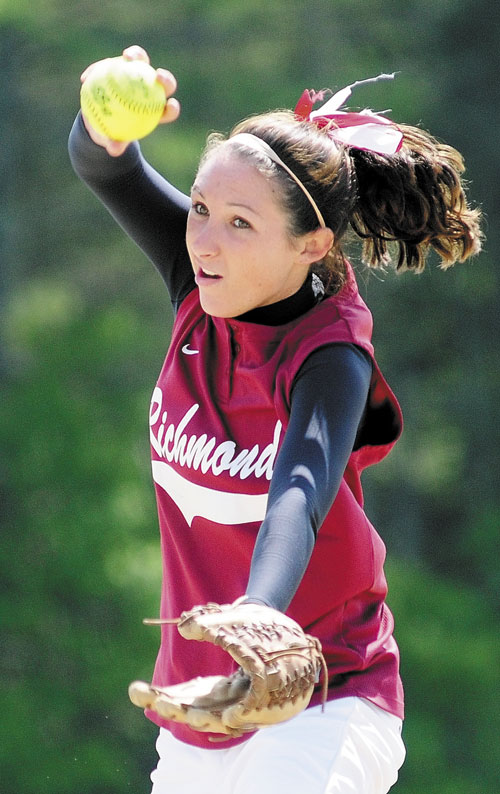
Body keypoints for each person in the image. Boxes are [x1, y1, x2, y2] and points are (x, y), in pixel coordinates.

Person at [69, 45, 482, 794]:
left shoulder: (329, 354)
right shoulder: (199, 281)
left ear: (313, 244)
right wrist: (108, 126)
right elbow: (106, 169)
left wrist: (258, 615)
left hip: (325, 693)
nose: (204, 238)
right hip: (200, 707)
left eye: (239, 223)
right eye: (199, 208)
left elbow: (300, 486)